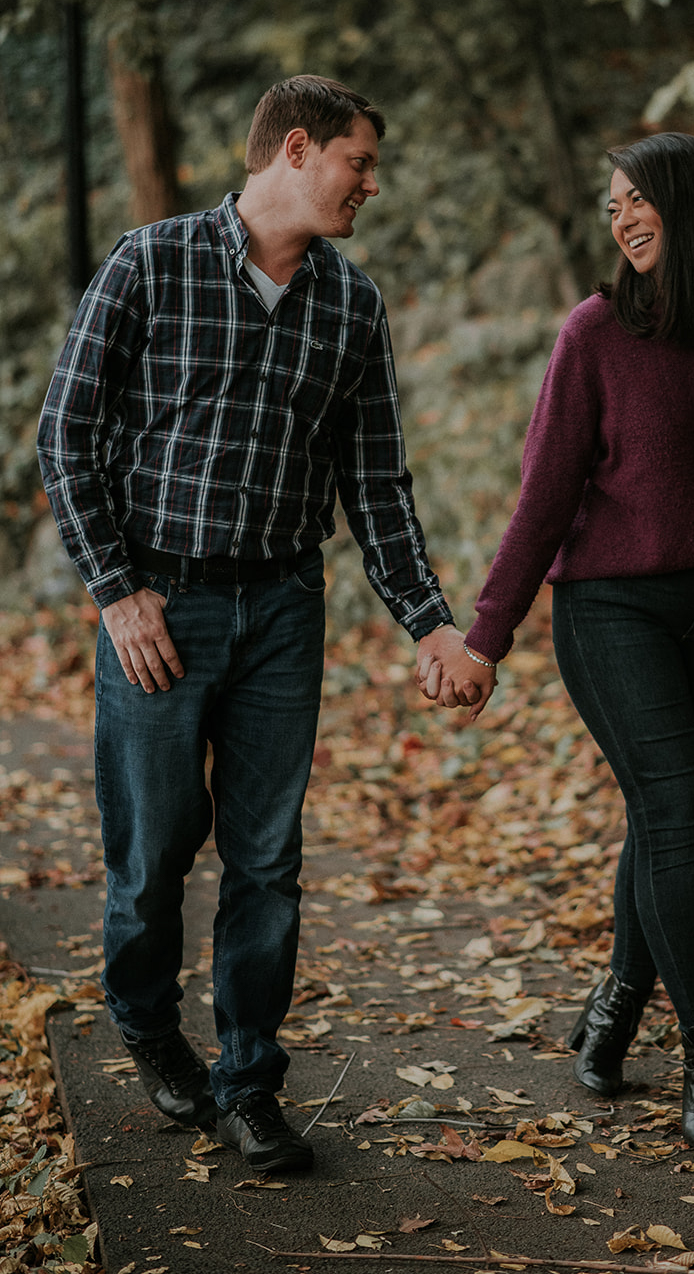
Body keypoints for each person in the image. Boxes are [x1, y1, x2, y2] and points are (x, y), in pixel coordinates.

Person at [37, 75, 475, 1174]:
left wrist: (430, 625)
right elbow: (66, 433)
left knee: (268, 859)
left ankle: (249, 1079)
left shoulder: (352, 306)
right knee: (152, 857)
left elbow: (377, 486)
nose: (371, 184)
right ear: (295, 149)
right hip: (159, 608)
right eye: (359, 163)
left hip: (284, 606)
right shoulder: (151, 262)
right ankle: (144, 1019)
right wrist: (117, 589)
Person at [419, 132, 694, 1154]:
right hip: (610, 611)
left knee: (663, 816)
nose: (623, 219)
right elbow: (544, 496)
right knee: (680, 810)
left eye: (638, 199)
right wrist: (487, 637)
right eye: (612, 205)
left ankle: (614, 1001)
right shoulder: (594, 332)